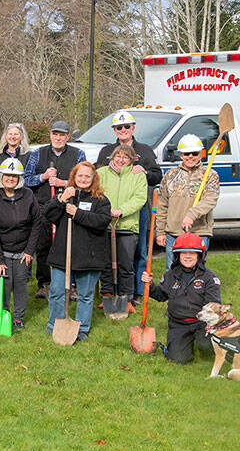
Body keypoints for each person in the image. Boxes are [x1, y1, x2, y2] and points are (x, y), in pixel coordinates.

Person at [42, 161, 112, 341]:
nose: (83, 179)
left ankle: (81, 329)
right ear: (74, 176)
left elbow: (102, 222)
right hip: (62, 255)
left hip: (89, 257)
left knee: (85, 295)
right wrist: (61, 199)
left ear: (93, 178)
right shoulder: (66, 196)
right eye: (80, 175)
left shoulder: (101, 200)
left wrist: (78, 214)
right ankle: (54, 325)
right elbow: (48, 214)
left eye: (87, 176)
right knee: (57, 291)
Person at [95, 110, 162, 291]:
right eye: (119, 127)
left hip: (137, 209)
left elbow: (157, 176)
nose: (123, 129)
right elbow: (97, 176)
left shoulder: (145, 151)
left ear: (132, 128)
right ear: (114, 130)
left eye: (126, 126)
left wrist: (144, 172)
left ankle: (138, 290)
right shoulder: (106, 151)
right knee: (110, 254)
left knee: (138, 251)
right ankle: (112, 291)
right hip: (109, 212)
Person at [23, 121, 86, 298]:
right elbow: (26, 179)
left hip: (68, 207)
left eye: (62, 135)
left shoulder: (78, 154)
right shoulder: (38, 153)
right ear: (50, 134)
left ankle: (70, 284)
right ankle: (44, 283)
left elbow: (85, 180)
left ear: (68, 137)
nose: (58, 138)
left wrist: (63, 183)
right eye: (55, 134)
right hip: (43, 205)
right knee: (43, 245)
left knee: (69, 244)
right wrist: (43, 177)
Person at [0, 158, 42, 330]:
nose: (10, 178)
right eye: (7, 175)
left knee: (20, 284)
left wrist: (29, 251)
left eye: (14, 176)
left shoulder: (28, 196)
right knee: (4, 283)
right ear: (1, 177)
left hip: (23, 251)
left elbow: (36, 223)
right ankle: (3, 314)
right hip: (2, 250)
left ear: (19, 178)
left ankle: (18, 318)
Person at [147, 233, 221, 363]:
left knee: (207, 348)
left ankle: (204, 343)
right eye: (183, 253)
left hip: (202, 323)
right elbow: (160, 295)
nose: (187, 256)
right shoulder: (170, 275)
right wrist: (150, 285)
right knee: (178, 359)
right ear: (177, 256)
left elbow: (214, 304)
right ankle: (182, 344)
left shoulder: (209, 277)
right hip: (178, 323)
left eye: (192, 253)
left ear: (200, 256)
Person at [97, 144, 147, 314]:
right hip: (105, 224)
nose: (121, 160)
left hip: (126, 225)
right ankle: (107, 295)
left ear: (131, 160)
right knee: (106, 263)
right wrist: (105, 211)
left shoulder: (137, 175)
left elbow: (140, 197)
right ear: (112, 156)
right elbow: (96, 192)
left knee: (126, 264)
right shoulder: (101, 173)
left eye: (125, 157)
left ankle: (127, 297)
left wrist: (122, 210)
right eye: (118, 156)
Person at [155, 134, 219, 263]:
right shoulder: (170, 175)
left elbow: (210, 200)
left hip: (199, 232)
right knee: (172, 271)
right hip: (173, 233)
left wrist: (191, 215)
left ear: (201, 154)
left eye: (194, 153)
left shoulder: (210, 175)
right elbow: (162, 205)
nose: (190, 156)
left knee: (198, 271)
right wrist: (160, 231)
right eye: (186, 153)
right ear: (181, 155)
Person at [0, 123, 31, 191]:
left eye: (16, 134)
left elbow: (30, 177)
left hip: (21, 196)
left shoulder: (29, 156)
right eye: (10, 134)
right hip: (0, 196)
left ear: (22, 137)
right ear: (6, 136)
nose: (12, 137)